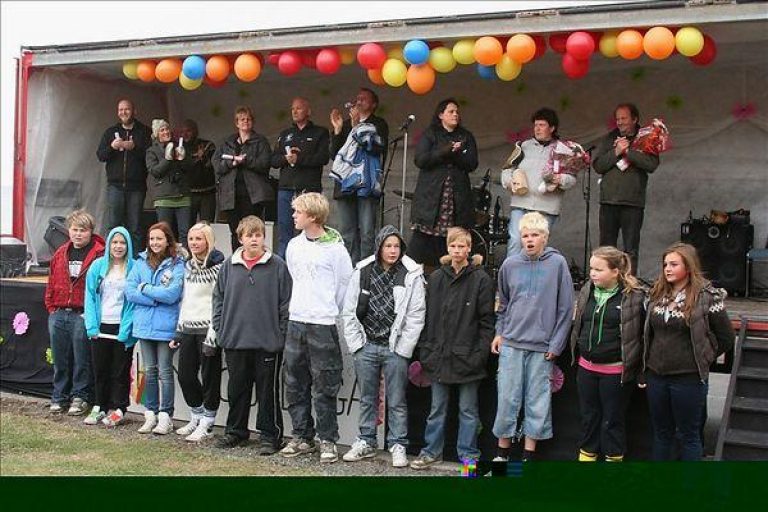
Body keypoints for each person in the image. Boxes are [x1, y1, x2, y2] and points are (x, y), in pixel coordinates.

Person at [340, 225, 426, 468]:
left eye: (396, 246)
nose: (392, 250)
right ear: (379, 247)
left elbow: (416, 314)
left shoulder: (411, 273)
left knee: (397, 400)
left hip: (394, 347)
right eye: (388, 246)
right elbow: (349, 309)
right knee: (367, 398)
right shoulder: (363, 270)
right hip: (367, 344)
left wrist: (403, 348)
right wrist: (356, 344)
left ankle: (398, 444)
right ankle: (366, 440)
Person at [409, 227, 494, 470]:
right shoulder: (436, 278)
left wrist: (479, 354)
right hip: (439, 355)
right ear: (447, 248)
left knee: (468, 411)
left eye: (461, 246)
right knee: (436, 409)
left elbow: (487, 322)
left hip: (469, 357)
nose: (457, 250)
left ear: (469, 248)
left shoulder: (481, 279)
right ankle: (431, 452)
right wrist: (427, 350)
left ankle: (469, 457)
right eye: (453, 246)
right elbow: (427, 317)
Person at [491, 212, 573, 462]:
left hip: (542, 347)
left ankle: (528, 456)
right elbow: (503, 305)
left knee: (537, 402)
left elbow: (565, 308)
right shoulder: (509, 265)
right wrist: (499, 333)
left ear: (545, 237)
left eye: (535, 235)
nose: (529, 239)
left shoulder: (558, 264)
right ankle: (502, 456)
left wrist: (557, 344)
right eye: (525, 235)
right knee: (507, 399)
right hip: (511, 344)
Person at [644, 242, 734, 461]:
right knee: (661, 433)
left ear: (689, 265)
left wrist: (703, 356)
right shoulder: (656, 293)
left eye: (674, 264)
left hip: (688, 378)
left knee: (688, 435)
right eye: (665, 264)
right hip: (656, 376)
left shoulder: (707, 296)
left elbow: (726, 337)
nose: (667, 269)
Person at [280, 192, 353, 463]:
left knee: (325, 384)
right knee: (294, 382)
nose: (293, 216)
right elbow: (294, 276)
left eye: (298, 212)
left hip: (322, 322)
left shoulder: (336, 249)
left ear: (312, 216)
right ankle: (301, 435)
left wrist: (327, 308)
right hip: (297, 320)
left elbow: (344, 284)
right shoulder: (294, 246)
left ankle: (327, 439)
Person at [211, 216, 292, 454]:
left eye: (258, 235)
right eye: (249, 235)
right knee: (237, 390)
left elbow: (286, 303)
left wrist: (281, 335)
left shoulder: (278, 265)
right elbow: (218, 298)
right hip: (235, 340)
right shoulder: (229, 265)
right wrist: (220, 328)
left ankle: (270, 436)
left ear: (264, 237)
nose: (254, 239)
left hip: (268, 342)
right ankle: (235, 431)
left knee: (267, 393)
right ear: (240, 239)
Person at [570, 246, 646, 462]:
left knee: (612, 421)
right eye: (591, 269)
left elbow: (642, 336)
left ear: (615, 272)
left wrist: (640, 371)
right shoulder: (587, 290)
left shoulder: (634, 296)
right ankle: (586, 460)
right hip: (586, 368)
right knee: (588, 418)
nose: (592, 274)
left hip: (615, 372)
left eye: (599, 269)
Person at [125, 222, 185, 435]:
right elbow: (129, 291)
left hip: (166, 326)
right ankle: (150, 413)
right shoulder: (140, 262)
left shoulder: (177, 264)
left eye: (159, 238)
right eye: (152, 239)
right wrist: (153, 298)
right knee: (149, 371)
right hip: (144, 325)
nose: (155, 242)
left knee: (165, 372)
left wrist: (145, 288)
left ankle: (166, 416)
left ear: (168, 240)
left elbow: (172, 294)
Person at [45, 210, 105, 415]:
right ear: (68, 231)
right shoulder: (60, 253)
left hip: (83, 312)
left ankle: (80, 396)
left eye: (83, 230)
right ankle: (59, 396)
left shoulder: (99, 254)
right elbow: (51, 281)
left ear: (90, 232)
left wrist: (91, 313)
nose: (78, 234)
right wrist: (52, 308)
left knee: (82, 358)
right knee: (59, 358)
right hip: (59, 311)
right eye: (74, 229)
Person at [408, 98, 478, 271]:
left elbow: (472, 164)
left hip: (456, 197)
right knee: (421, 241)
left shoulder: (466, 136)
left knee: (452, 239)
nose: (455, 114)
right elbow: (420, 160)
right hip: (431, 196)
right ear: (441, 115)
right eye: (451, 111)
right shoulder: (430, 134)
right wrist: (444, 151)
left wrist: (456, 153)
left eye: (457, 112)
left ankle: (450, 273)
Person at [170, 223, 225, 442]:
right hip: (188, 329)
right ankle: (197, 414)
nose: (194, 243)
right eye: (191, 239)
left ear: (208, 241)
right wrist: (178, 331)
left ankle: (208, 422)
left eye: (199, 239)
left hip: (208, 330)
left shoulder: (219, 267)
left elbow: (218, 302)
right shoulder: (187, 266)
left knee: (210, 378)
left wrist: (213, 335)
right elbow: (186, 300)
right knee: (185, 375)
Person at [593, 103, 660, 275]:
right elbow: (598, 166)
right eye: (617, 119)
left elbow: (651, 164)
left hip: (633, 202)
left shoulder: (645, 138)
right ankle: (606, 283)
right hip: (609, 201)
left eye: (624, 118)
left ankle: (630, 284)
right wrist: (616, 151)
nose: (620, 122)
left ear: (635, 119)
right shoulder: (609, 138)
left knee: (631, 249)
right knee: (606, 248)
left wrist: (628, 152)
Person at [501, 108, 576, 257]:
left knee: (536, 247)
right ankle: (512, 272)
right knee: (516, 241)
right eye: (535, 125)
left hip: (546, 208)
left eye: (542, 125)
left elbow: (572, 178)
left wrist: (560, 179)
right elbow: (507, 169)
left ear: (552, 128)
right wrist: (510, 182)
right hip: (521, 204)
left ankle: (534, 273)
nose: (537, 129)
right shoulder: (523, 146)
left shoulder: (563, 150)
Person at [83, 226, 137, 427]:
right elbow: (90, 296)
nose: (118, 246)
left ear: (128, 245)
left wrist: (126, 329)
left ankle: (119, 408)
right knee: (100, 369)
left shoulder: (134, 268)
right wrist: (91, 325)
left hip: (122, 327)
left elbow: (134, 302)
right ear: (108, 245)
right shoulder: (97, 266)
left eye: (122, 242)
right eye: (114, 242)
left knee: (120, 371)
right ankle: (100, 406)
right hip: (100, 326)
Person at [330, 88, 389, 264]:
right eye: (357, 98)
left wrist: (357, 126)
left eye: (363, 99)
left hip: (366, 184)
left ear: (373, 104)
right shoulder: (346, 123)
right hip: (345, 184)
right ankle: (349, 270)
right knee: (346, 232)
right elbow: (334, 154)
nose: (358, 101)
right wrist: (338, 130)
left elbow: (376, 148)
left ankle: (365, 270)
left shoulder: (379, 124)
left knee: (367, 232)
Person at [272, 97, 330, 259]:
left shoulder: (320, 132)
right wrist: (286, 158)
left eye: (298, 108)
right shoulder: (285, 134)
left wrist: (299, 159)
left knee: (310, 230)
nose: (295, 111)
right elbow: (273, 160)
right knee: (284, 231)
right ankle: (284, 268)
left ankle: (310, 262)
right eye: (292, 109)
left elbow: (323, 158)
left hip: (309, 190)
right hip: (286, 188)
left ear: (308, 111)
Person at [213, 106, 273, 251]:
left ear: (253, 122)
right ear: (237, 123)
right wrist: (232, 163)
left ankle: (253, 258)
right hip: (231, 195)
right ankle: (236, 259)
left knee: (252, 231)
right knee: (235, 231)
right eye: (242, 119)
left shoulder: (260, 141)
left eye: (248, 119)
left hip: (253, 195)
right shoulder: (227, 142)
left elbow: (265, 164)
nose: (245, 122)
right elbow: (216, 164)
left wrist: (246, 161)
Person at [96, 99, 152, 254]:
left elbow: (151, 157)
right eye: (120, 110)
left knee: (135, 226)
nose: (123, 112)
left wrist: (134, 148)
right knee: (113, 224)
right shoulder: (110, 132)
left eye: (127, 109)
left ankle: (136, 260)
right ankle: (111, 258)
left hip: (137, 186)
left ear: (134, 111)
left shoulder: (144, 132)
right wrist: (112, 147)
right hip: (115, 186)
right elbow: (100, 155)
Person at [146, 119, 194, 246]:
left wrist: (182, 158)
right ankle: (166, 255)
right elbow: (155, 171)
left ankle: (185, 256)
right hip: (163, 197)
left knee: (185, 232)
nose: (166, 132)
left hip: (182, 195)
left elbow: (189, 168)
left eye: (167, 129)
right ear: (156, 134)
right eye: (162, 130)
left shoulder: (179, 145)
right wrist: (167, 159)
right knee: (165, 232)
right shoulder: (152, 151)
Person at [180, 119, 217, 224]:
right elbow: (183, 167)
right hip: (188, 194)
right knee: (187, 226)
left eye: (188, 131)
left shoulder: (207, 145)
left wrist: (203, 157)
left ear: (195, 131)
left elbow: (213, 165)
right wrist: (196, 158)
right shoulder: (180, 148)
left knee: (207, 226)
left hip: (207, 193)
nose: (185, 134)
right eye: (182, 132)